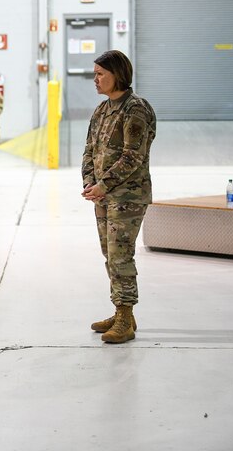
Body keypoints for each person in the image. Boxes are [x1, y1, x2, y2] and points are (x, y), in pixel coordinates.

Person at [82, 50, 156, 344]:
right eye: (95, 73)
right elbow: (89, 150)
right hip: (102, 196)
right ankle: (120, 310)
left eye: (101, 74)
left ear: (119, 75)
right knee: (110, 255)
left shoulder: (136, 109)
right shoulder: (101, 111)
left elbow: (133, 156)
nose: (95, 79)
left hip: (128, 196)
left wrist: (104, 184)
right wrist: (90, 182)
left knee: (121, 254)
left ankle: (125, 316)